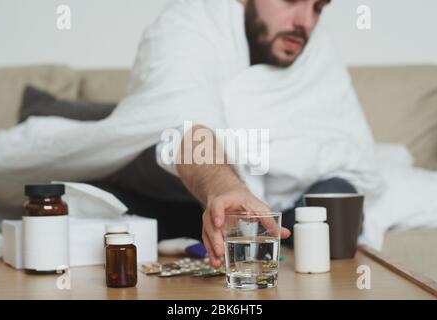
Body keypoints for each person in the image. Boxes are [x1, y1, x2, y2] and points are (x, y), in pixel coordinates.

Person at [91, 0, 381, 268]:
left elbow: (347, 147)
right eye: (292, 0)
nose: (305, 21)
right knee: (93, 200)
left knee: (339, 200)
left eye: (318, 7)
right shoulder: (189, 23)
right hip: (186, 191)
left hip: (286, 205)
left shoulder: (318, 51)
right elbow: (185, 127)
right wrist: (225, 189)